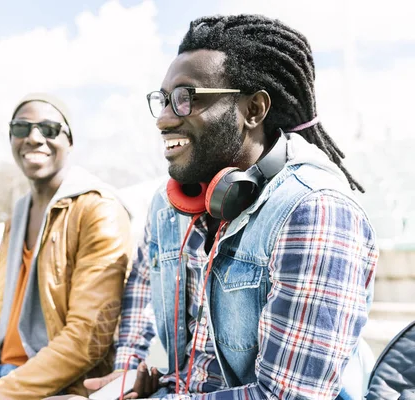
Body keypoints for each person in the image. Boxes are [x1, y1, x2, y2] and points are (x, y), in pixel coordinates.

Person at [83, 14, 378, 400]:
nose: (164, 119)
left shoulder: (315, 212)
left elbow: (286, 397)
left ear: (253, 109)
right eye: (164, 100)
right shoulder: (167, 205)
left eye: (186, 99)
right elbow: (140, 289)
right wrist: (125, 375)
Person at [0, 93, 133, 400]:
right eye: (21, 128)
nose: (33, 137)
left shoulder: (98, 210)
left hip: (57, 385)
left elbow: (87, 337)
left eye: (49, 129)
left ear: (69, 141)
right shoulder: (15, 220)